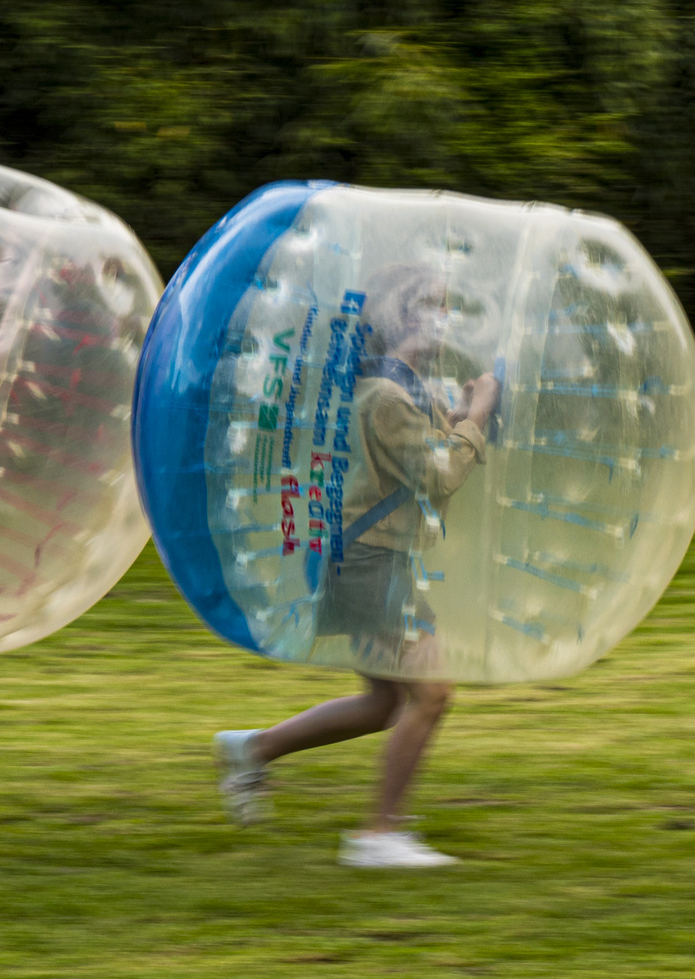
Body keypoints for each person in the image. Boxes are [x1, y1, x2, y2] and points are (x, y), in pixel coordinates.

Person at [213, 264, 501, 868]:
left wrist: (458, 417)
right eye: (433, 307)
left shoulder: (388, 388)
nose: (445, 320)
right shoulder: (389, 397)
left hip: (363, 557)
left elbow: (418, 468)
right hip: (373, 563)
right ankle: (379, 834)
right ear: (402, 318)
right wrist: (477, 416)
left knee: (384, 702)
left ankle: (253, 751)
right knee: (432, 693)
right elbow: (440, 476)